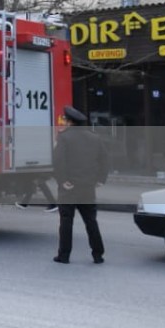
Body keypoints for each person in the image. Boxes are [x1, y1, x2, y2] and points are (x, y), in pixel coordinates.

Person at [52, 106, 107, 264]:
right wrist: (100, 179)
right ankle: (98, 254)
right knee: (91, 221)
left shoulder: (64, 137)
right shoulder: (94, 137)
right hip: (88, 187)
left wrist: (62, 180)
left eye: (65, 120)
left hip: (69, 188)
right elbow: (104, 159)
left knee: (66, 221)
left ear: (69, 121)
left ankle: (64, 255)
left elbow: (58, 161)